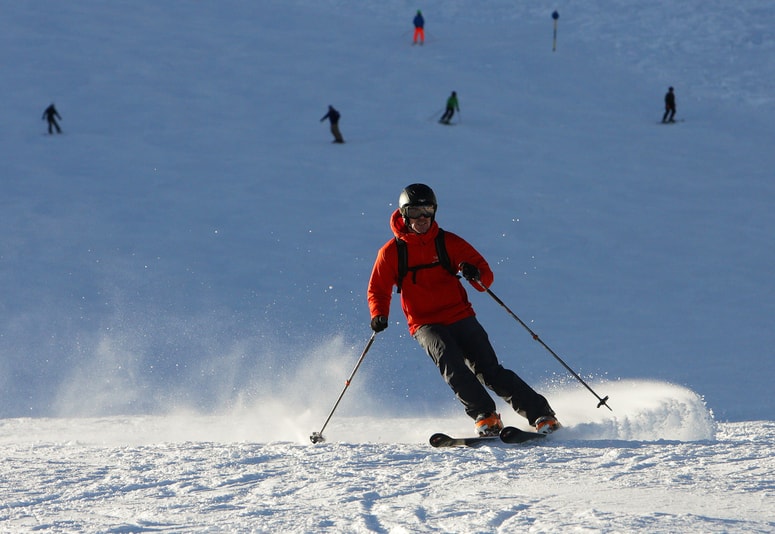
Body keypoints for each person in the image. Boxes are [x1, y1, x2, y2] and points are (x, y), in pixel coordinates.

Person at [367, 183, 560, 437]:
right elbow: (378, 289)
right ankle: (485, 416)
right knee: (452, 364)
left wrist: (474, 273)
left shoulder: (448, 242)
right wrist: (379, 314)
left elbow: (485, 275)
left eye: (427, 211)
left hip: (460, 315)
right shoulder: (391, 252)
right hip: (425, 323)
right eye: (415, 212)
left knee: (489, 370)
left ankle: (541, 415)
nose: (422, 218)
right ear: (404, 214)